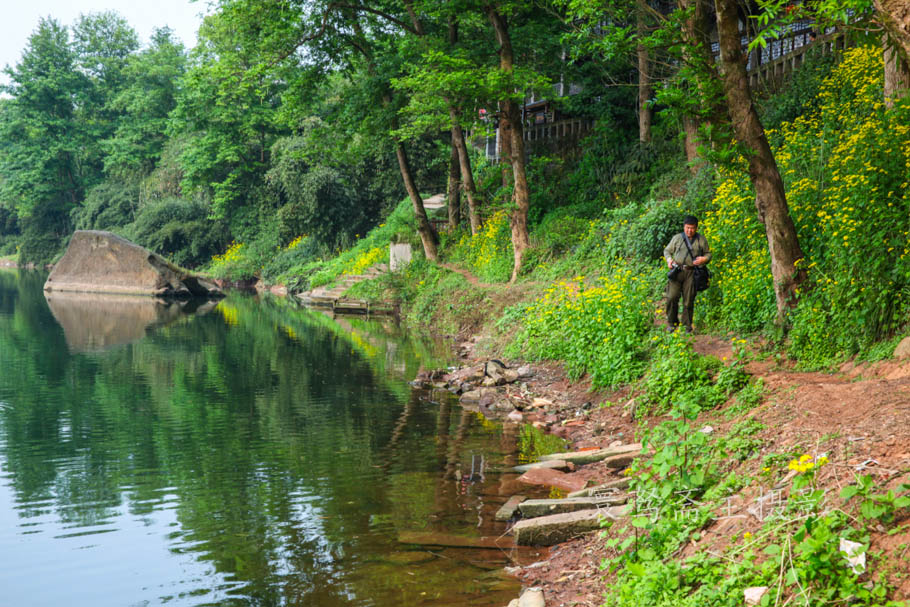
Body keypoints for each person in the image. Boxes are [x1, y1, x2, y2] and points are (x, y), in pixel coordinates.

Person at [664, 215, 711, 334]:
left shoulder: (701, 239)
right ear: (684, 227)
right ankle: (672, 323)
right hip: (677, 271)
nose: (689, 230)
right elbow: (667, 251)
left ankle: (687, 326)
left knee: (688, 300)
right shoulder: (677, 238)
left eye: (692, 228)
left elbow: (708, 254)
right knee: (671, 297)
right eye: (687, 228)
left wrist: (704, 259)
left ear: (696, 228)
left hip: (692, 272)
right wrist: (669, 260)